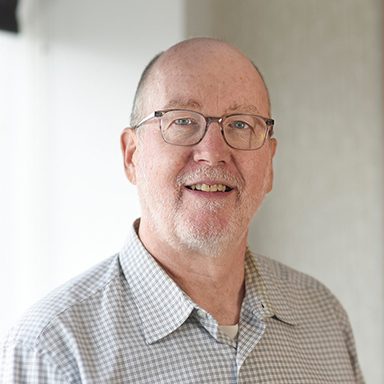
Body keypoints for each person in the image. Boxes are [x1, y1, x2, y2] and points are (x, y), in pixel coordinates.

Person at [1, 37, 364, 383]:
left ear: (268, 165)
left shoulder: (322, 316)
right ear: (132, 156)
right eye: (183, 121)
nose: (212, 151)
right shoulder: (52, 348)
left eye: (240, 124)